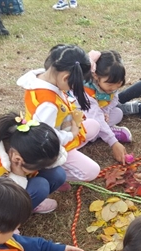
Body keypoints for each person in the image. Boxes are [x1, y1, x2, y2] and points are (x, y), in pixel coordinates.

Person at [17, 44, 101, 183]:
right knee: (92, 171)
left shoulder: (42, 78)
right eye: (73, 85)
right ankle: (51, 173)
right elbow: (46, 139)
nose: (72, 89)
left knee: (94, 125)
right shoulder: (48, 105)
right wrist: (71, 134)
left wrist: (69, 119)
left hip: (58, 128)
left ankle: (71, 152)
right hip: (48, 146)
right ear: (65, 78)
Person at [83, 50, 133, 165]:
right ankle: (106, 133)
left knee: (118, 113)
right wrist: (113, 142)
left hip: (97, 113)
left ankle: (102, 132)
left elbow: (113, 100)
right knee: (94, 124)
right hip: (82, 118)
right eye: (110, 84)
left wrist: (105, 111)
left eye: (119, 83)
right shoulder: (86, 90)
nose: (114, 87)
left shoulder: (111, 82)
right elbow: (94, 114)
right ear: (95, 76)